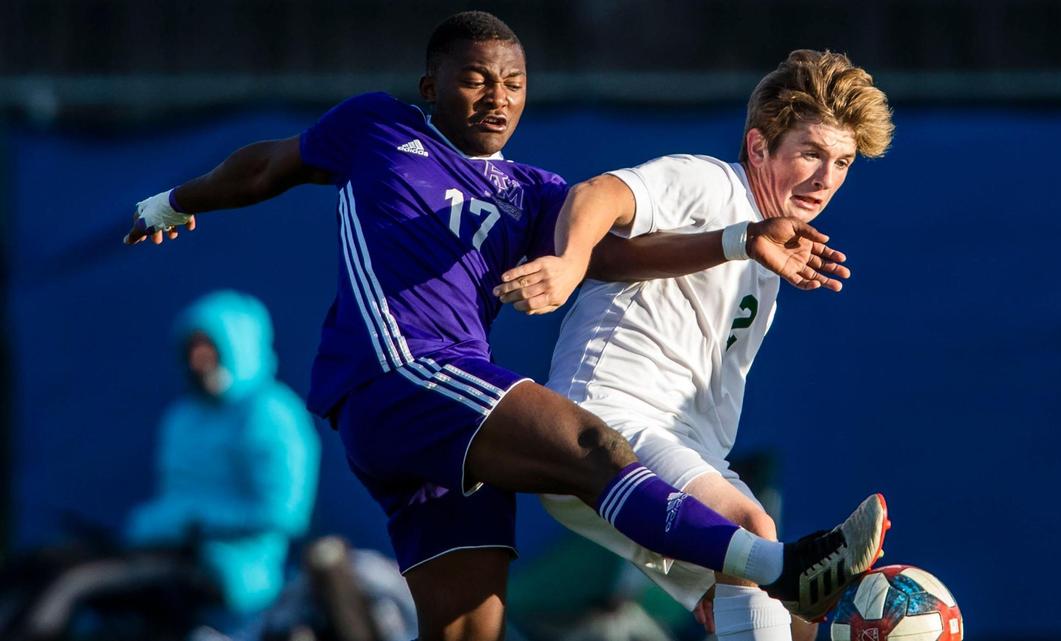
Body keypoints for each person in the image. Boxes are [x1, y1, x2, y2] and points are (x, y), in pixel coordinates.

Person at [123, 13, 888, 641]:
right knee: (596, 446)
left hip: (450, 434)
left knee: (470, 632)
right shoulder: (378, 128)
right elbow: (264, 166)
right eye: (476, 78)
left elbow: (616, 254)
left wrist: (733, 240)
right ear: (431, 86)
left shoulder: (526, 193)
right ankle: (784, 564)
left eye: (514, 82)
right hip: (402, 371)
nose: (497, 96)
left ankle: (770, 575)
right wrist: (173, 201)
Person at [493, 50, 894, 641]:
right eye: (810, 153)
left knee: (777, 616)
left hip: (679, 450)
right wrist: (571, 260)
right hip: (606, 423)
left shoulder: (767, 247)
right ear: (759, 148)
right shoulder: (714, 183)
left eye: (842, 161)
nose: (826, 178)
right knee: (753, 530)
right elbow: (599, 192)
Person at [16, 291, 320, 640]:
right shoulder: (184, 417)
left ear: (238, 344)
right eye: (192, 347)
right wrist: (159, 522)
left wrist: (193, 519)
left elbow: (284, 513)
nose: (199, 358)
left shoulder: (271, 413)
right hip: (165, 551)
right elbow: (174, 497)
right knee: (44, 565)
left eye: (209, 345)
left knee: (73, 585)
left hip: (230, 570)